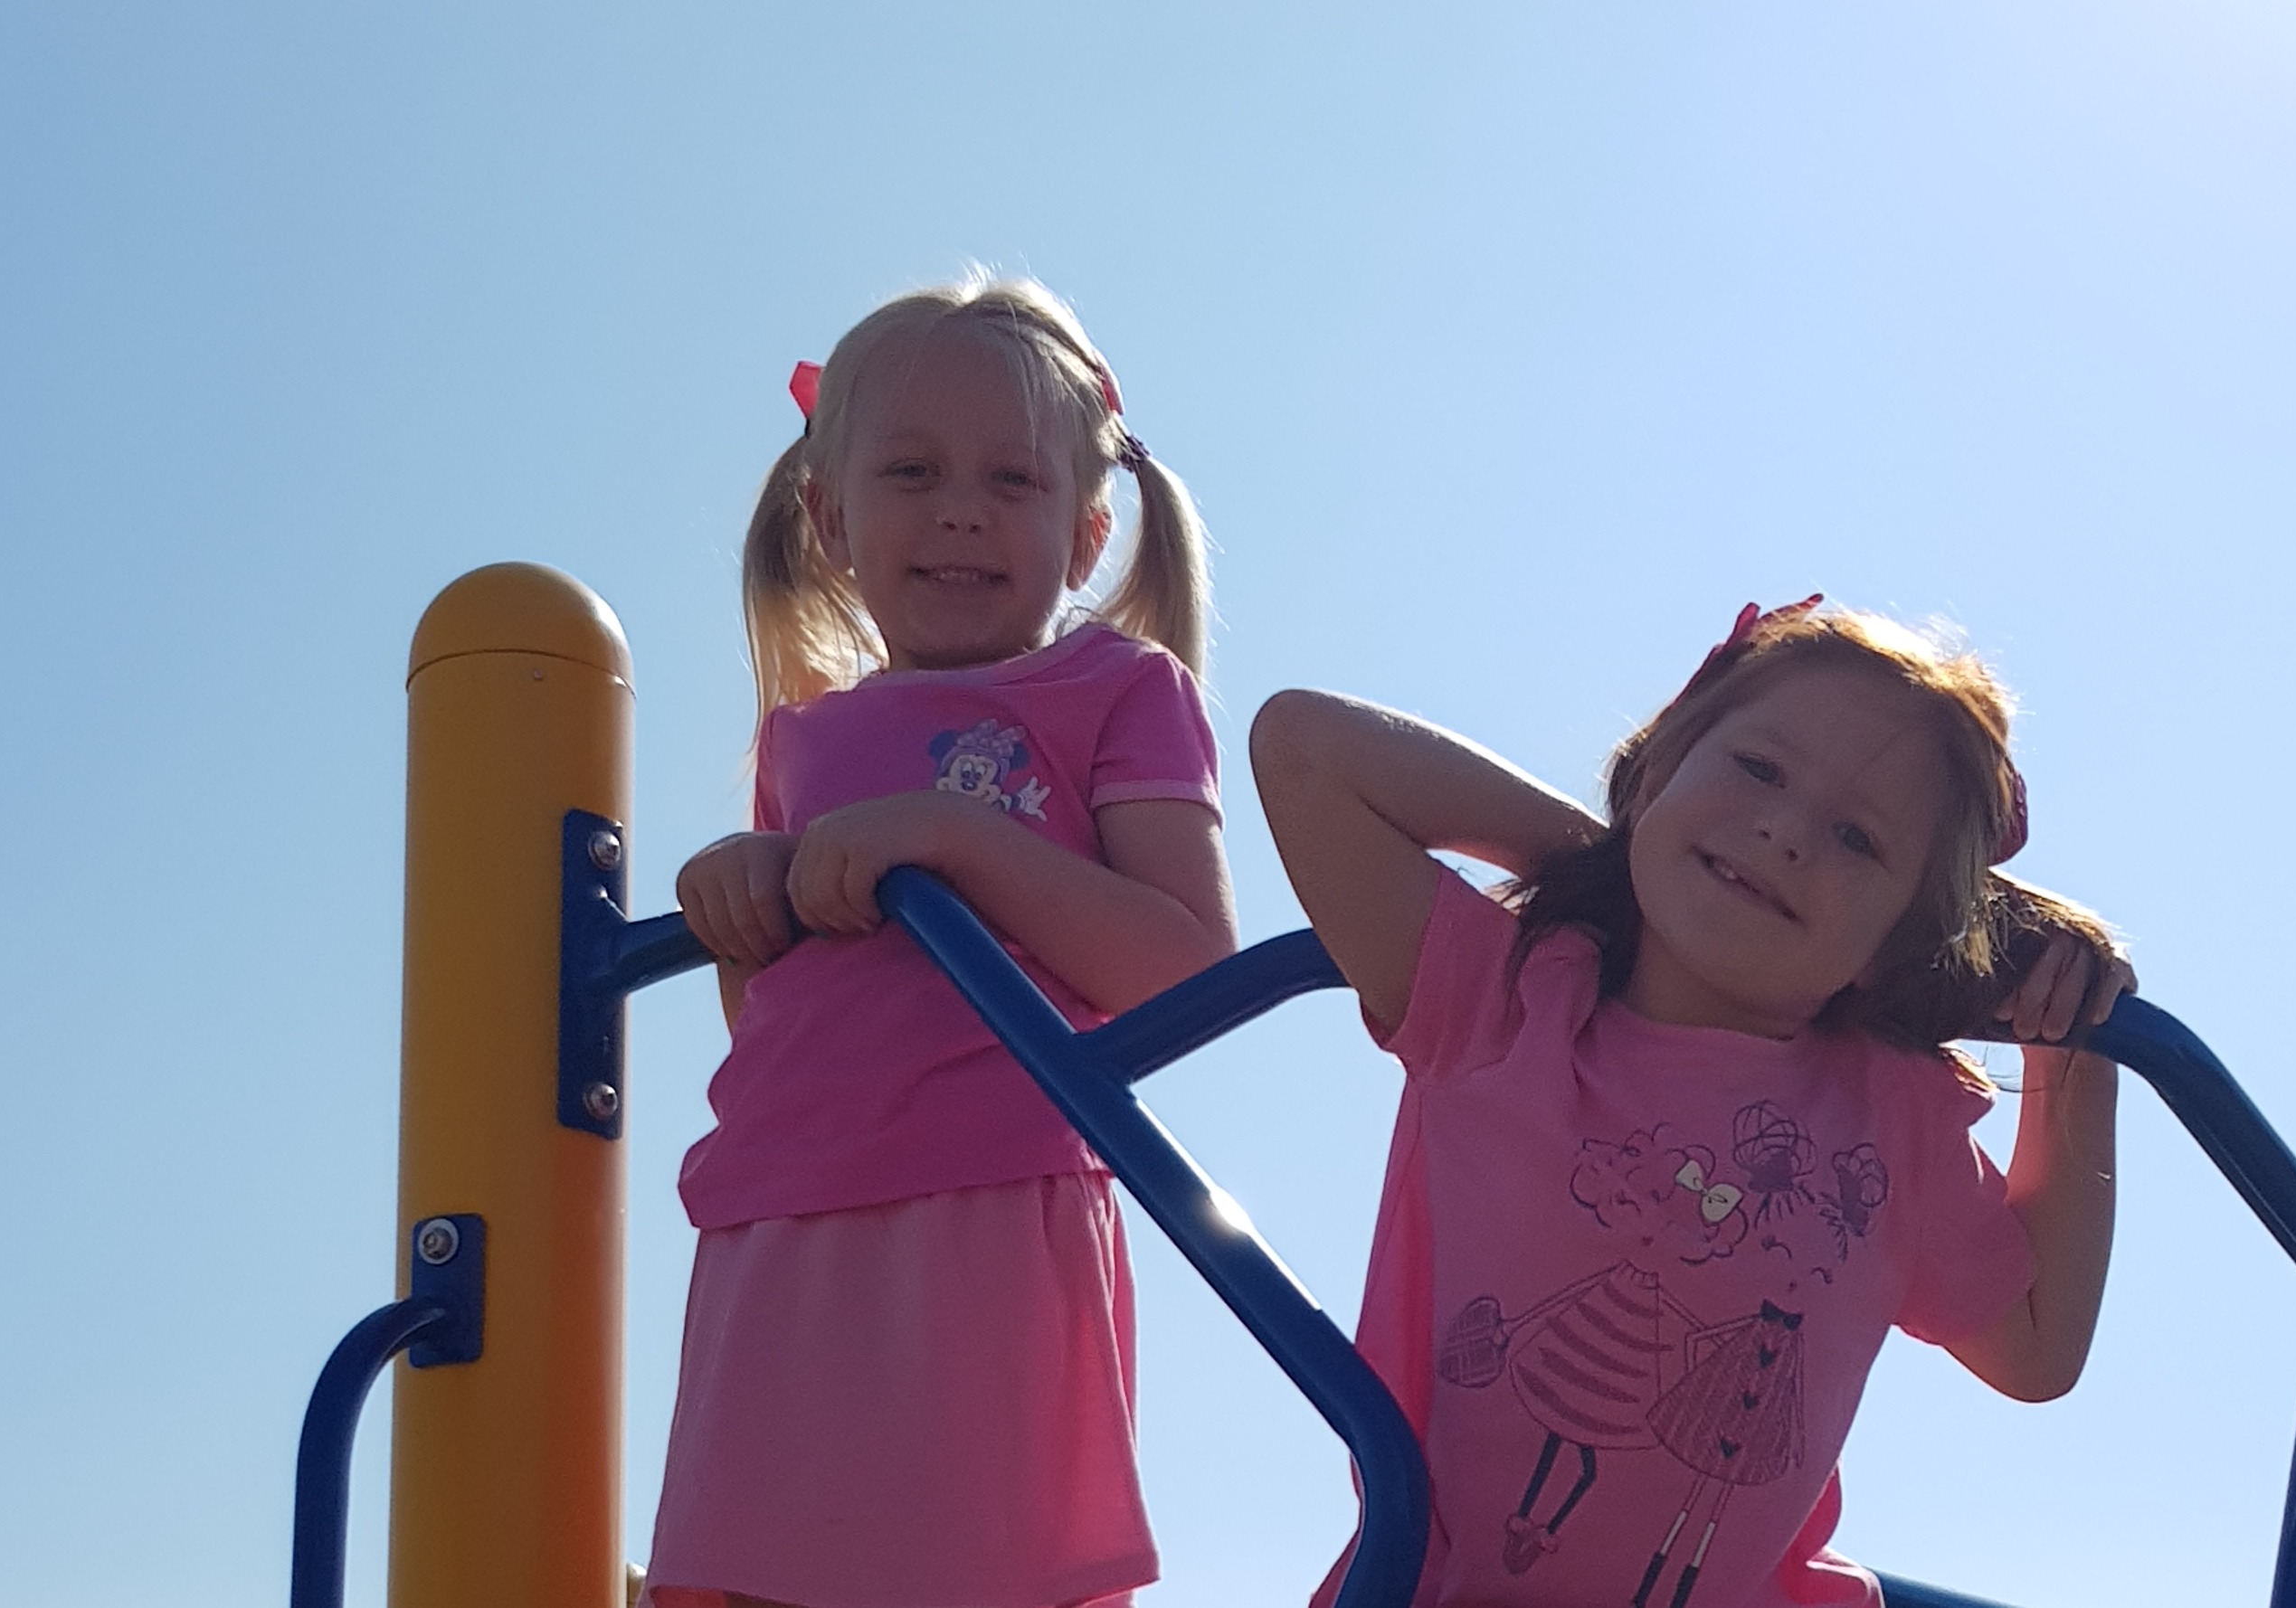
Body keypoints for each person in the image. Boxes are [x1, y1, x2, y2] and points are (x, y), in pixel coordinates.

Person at [1252, 597, 2131, 1608]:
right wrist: (1617, 861)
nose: (1785, 831)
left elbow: (2035, 1342)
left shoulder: (1887, 1117)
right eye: (1757, 768)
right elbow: (1304, 748)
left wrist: (2075, 1038)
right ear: (1665, 761)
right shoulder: (1509, 998)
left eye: (1858, 838)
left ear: (1898, 941)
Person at [644, 277, 1238, 1608]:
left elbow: (1185, 966)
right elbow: (785, 1018)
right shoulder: (804, 737)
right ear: (830, 515)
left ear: (1086, 534)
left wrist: (958, 840)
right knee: (751, 1581)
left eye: (1011, 480)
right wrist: (748, 889)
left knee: (978, 1578)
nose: (960, 507)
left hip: (990, 1204)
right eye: (911, 470)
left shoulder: (1120, 690)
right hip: (776, 1215)